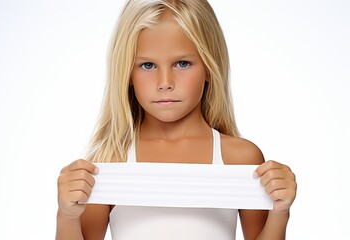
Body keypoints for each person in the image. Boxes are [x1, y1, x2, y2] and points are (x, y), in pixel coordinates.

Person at [56, 0, 297, 239]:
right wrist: (66, 216)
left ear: (210, 67)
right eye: (147, 65)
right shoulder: (108, 161)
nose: (165, 83)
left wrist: (280, 213)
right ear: (127, 72)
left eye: (182, 63)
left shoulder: (240, 158)